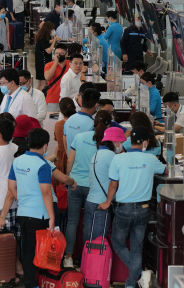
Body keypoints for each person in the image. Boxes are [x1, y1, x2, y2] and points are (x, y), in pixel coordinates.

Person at [98, 126, 167, 288]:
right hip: (143, 210)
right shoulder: (151, 159)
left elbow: (113, 185)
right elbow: (167, 170)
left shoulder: (119, 159)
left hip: (123, 209)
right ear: (145, 142)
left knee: (118, 243)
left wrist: (107, 202)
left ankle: (139, 275)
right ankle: (132, 282)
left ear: (130, 142)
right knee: (137, 249)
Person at [0, 129, 55, 288]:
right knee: (36, 252)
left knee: (27, 250)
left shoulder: (18, 161)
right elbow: (46, 193)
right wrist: (52, 216)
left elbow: (11, 187)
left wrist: (22, 199)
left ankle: (31, 281)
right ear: (45, 145)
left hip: (22, 213)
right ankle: (32, 283)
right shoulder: (43, 165)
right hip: (39, 215)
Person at [63, 109, 112, 267]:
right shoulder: (104, 142)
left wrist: (68, 180)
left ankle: (69, 258)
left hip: (75, 184)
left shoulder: (79, 137)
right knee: (87, 223)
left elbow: (70, 161)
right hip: (93, 188)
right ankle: (86, 257)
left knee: (72, 221)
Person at [84, 126, 125, 245]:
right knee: (98, 243)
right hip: (102, 204)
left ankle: (87, 263)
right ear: (115, 142)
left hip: (90, 201)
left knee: (88, 241)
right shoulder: (112, 157)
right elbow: (118, 180)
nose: (121, 146)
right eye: (121, 142)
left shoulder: (96, 154)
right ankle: (96, 264)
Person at [54, 98, 77, 173]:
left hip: (60, 158)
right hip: (74, 158)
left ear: (60, 111)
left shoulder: (58, 125)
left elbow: (57, 141)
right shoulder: (77, 124)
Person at [34, 21, 59, 90]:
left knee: (41, 83)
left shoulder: (42, 38)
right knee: (42, 83)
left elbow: (47, 42)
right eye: (52, 30)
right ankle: (38, 98)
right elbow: (49, 50)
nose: (53, 31)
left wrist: (54, 40)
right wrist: (54, 40)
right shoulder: (42, 40)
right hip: (42, 64)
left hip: (40, 63)